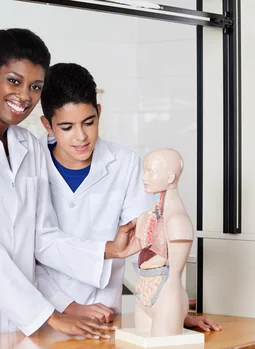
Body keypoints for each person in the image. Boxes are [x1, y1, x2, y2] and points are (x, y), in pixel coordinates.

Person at [0, 28, 140, 341]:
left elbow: (43, 238)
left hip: (20, 323)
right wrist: (50, 315)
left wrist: (110, 249)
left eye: (35, 86)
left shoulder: (28, 146)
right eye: (14, 81)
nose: (25, 96)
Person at [36, 62, 221, 333]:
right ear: (47, 125)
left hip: (106, 316)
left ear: (99, 112)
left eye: (89, 122)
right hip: (44, 314)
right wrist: (66, 305)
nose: (81, 136)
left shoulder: (124, 163)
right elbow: (28, 250)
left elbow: (145, 247)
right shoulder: (30, 164)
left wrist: (169, 309)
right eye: (67, 127)